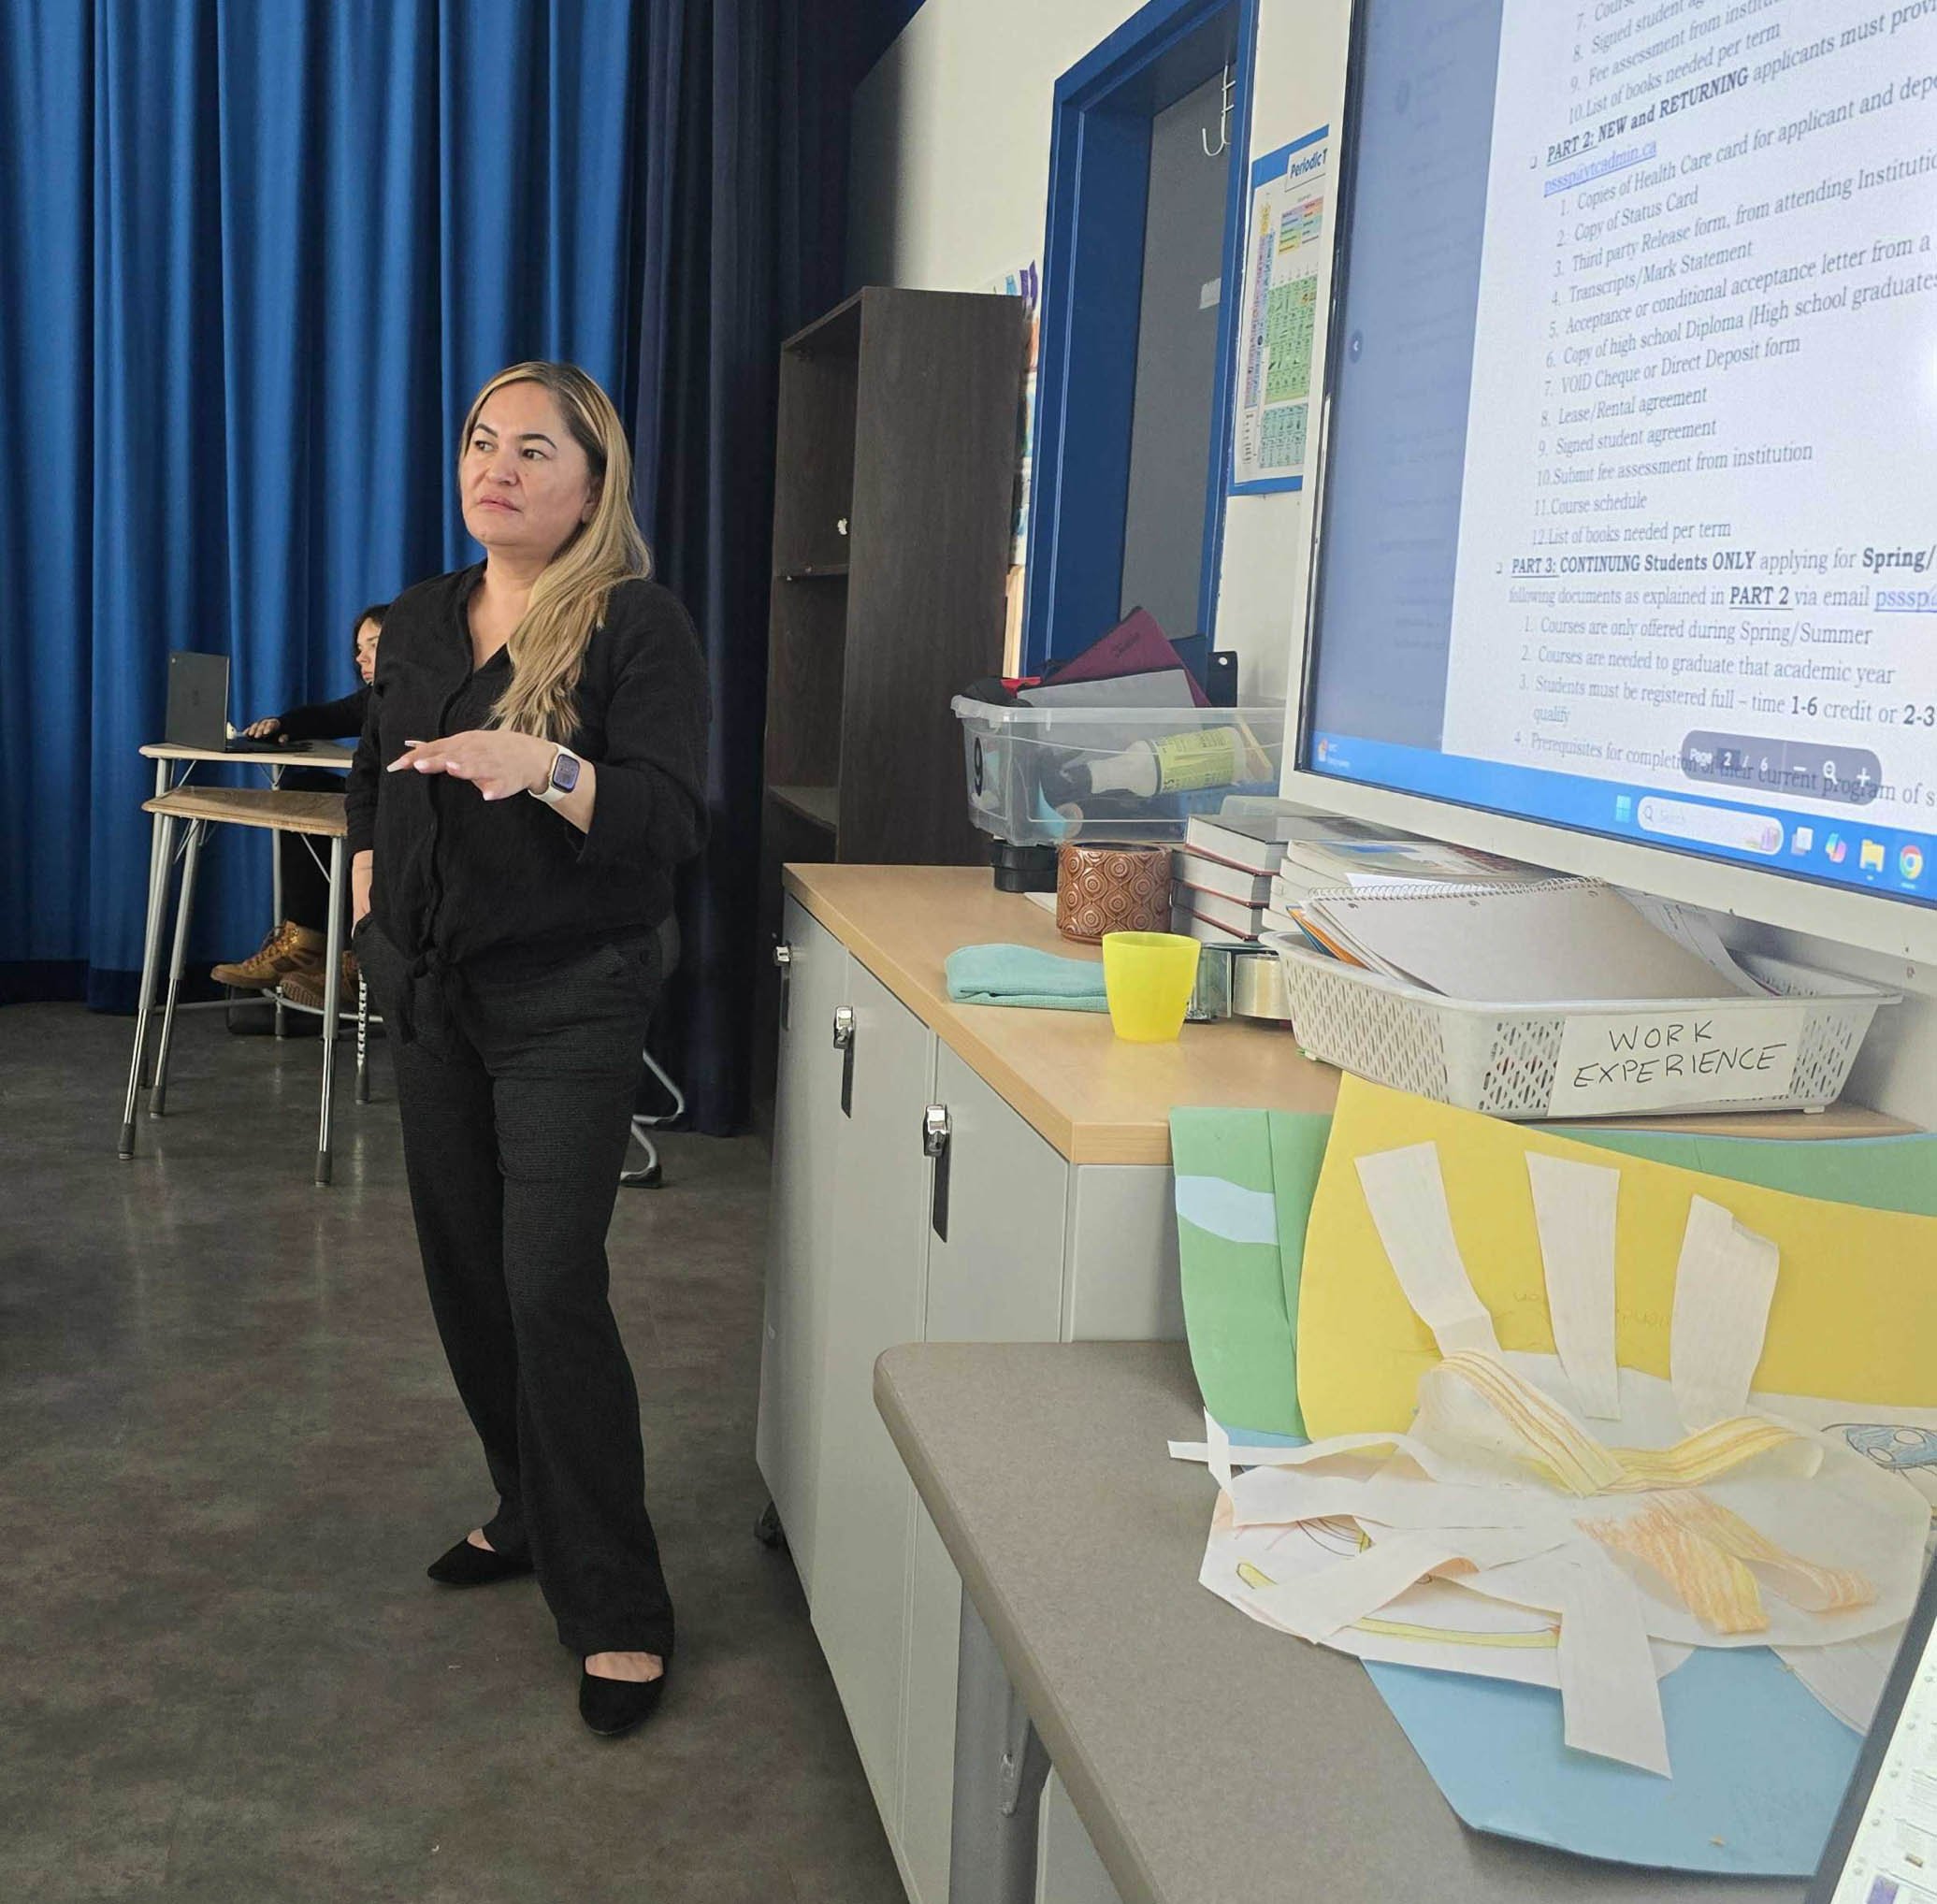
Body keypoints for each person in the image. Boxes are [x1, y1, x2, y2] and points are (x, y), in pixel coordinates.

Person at [345, 361, 710, 1738]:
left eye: (534, 451)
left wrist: (544, 771)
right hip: (434, 994)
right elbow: (377, 787)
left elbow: (672, 821)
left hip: (571, 996)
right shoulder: (424, 618)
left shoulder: (633, 625)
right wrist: (379, 938)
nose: (497, 469)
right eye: (481, 444)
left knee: (548, 1284)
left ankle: (616, 1605)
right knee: (466, 1282)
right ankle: (522, 1503)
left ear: (592, 482)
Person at [210, 604, 389, 1005]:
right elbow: (331, 716)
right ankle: (304, 941)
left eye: (374, 645)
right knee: (305, 787)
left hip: (413, 817)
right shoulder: (374, 697)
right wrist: (282, 724)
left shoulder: (420, 692)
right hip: (375, 808)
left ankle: (354, 959)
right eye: (358, 648)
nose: (361, 657)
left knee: (363, 818)